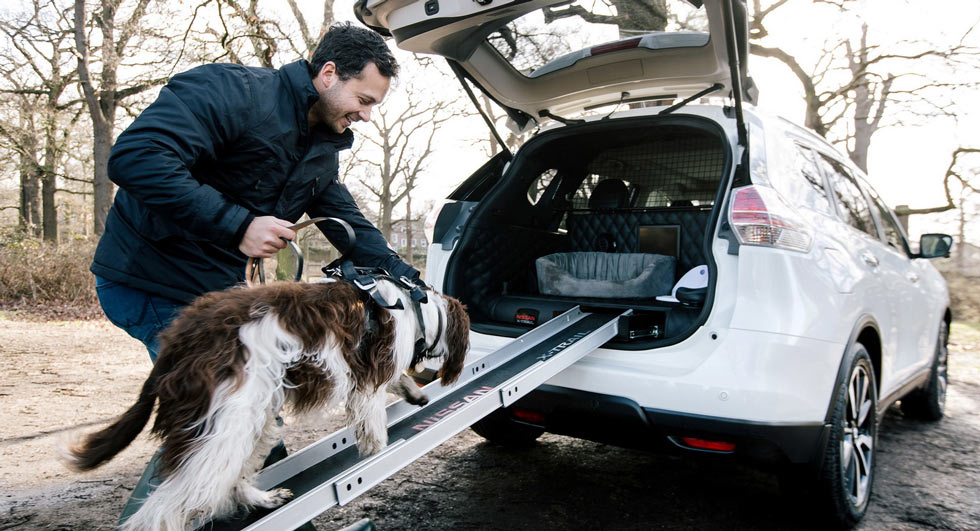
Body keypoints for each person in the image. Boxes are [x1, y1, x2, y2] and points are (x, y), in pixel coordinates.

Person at [92, 22, 418, 362]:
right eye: (363, 100)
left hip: (215, 288)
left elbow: (345, 219)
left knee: (260, 399)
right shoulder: (232, 91)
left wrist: (408, 280)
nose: (366, 115)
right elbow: (137, 158)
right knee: (228, 407)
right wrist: (240, 225)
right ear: (329, 73)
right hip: (150, 279)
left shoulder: (321, 148)